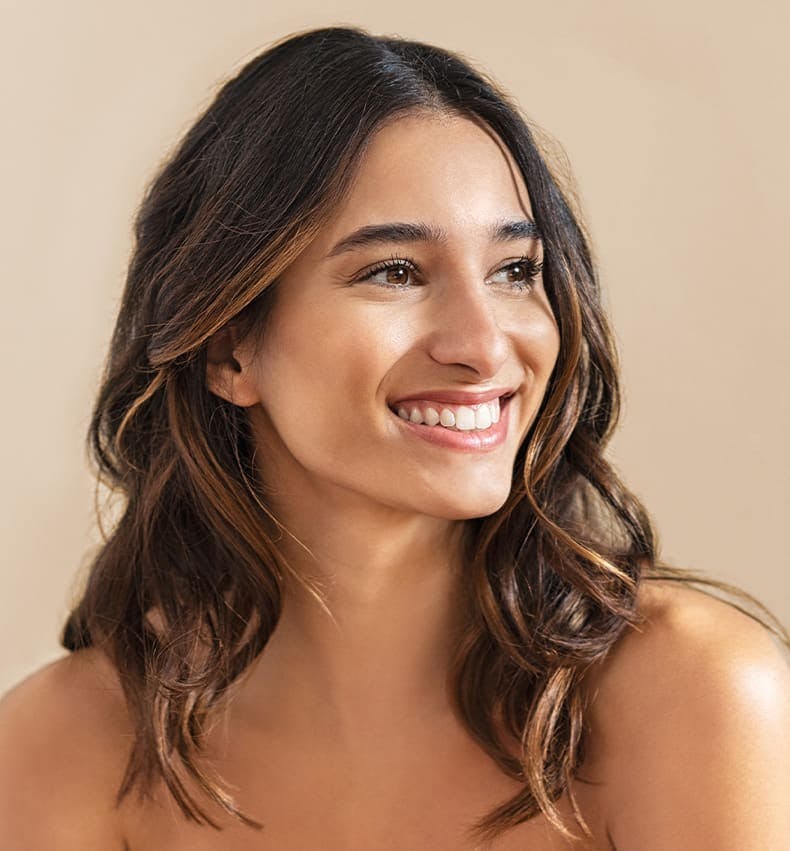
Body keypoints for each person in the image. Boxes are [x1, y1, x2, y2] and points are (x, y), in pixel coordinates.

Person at [1, 25, 788, 850]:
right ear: (230, 345)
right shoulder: (65, 750)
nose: (484, 346)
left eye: (515, 271)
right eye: (396, 272)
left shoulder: (695, 698)